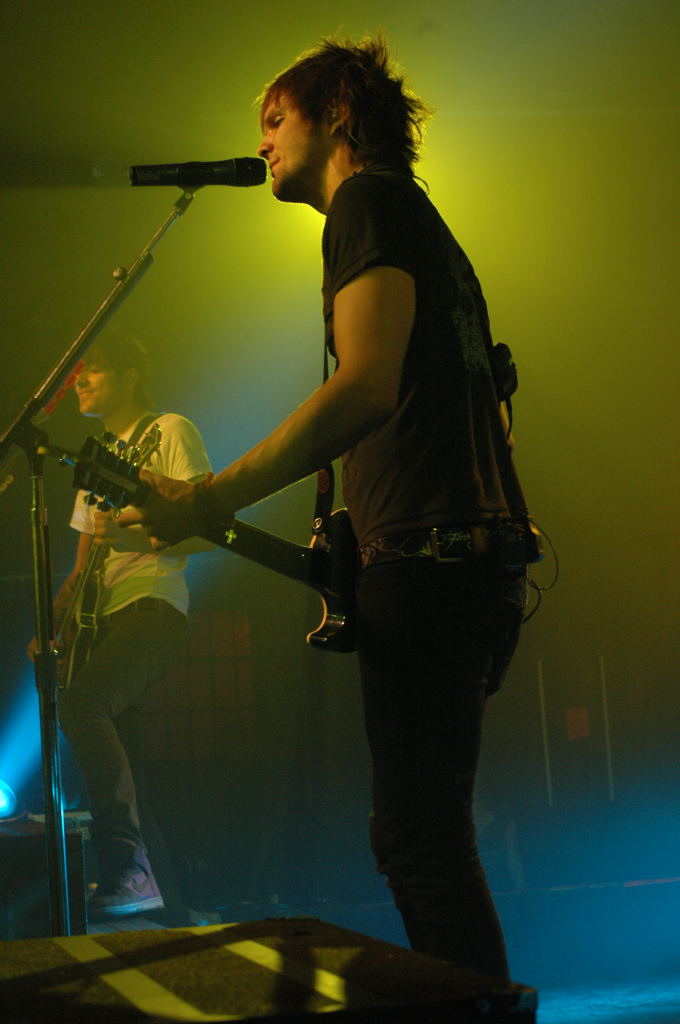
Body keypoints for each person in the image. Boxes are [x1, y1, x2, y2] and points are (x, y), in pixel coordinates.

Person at [122, 38, 532, 977]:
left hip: (430, 563)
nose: (261, 143)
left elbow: (364, 389)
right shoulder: (421, 222)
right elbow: (486, 417)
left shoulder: (367, 205)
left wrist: (210, 496)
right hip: (469, 559)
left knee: (420, 840)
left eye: (276, 119)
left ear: (338, 112)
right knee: (426, 836)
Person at [30, 327, 212, 921]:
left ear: (131, 376)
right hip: (101, 620)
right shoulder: (97, 456)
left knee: (82, 704)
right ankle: (171, 914)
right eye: (80, 371)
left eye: (96, 368)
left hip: (154, 606)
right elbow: (82, 565)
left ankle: (127, 868)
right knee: (130, 776)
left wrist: (137, 537)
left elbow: (209, 528)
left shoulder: (170, 430)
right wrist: (54, 626)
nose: (81, 379)